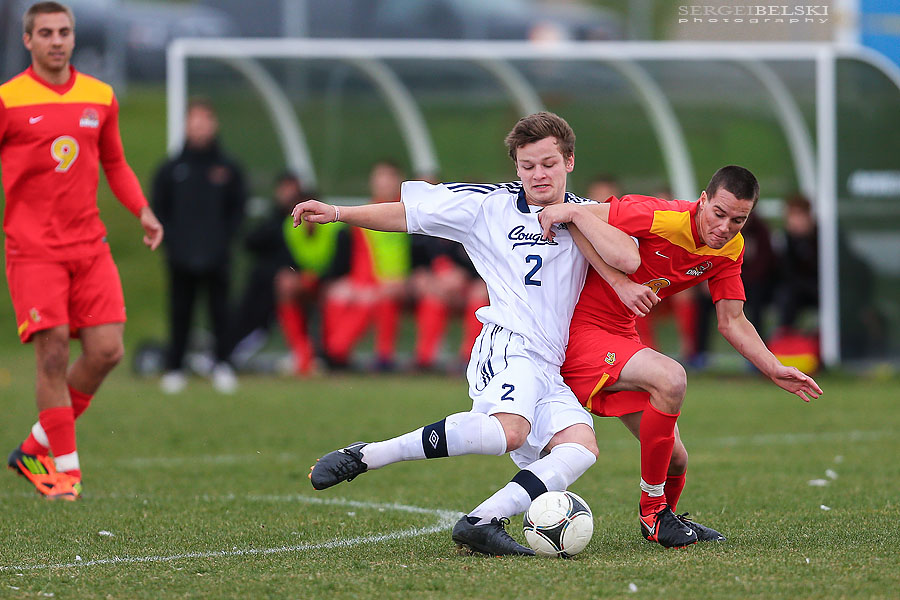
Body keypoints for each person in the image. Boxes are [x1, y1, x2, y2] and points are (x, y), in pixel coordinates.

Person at [294, 112, 640, 556]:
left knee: (581, 447)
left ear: (569, 161)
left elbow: (628, 256)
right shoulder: (487, 205)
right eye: (528, 165)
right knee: (509, 432)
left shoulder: (585, 216)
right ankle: (369, 455)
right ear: (516, 167)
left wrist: (580, 216)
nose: (538, 174)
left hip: (551, 361)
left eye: (549, 163)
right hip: (508, 342)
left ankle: (481, 521)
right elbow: (409, 213)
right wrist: (339, 212)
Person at [538, 165, 823, 548]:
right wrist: (618, 281)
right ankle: (653, 512)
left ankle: (662, 518)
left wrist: (773, 367)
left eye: (738, 220)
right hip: (579, 331)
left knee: (675, 460)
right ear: (703, 200)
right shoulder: (660, 215)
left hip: (623, 333)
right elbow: (581, 216)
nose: (724, 227)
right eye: (718, 213)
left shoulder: (729, 248)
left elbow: (732, 320)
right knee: (671, 377)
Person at [1, 1, 164, 500]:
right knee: (51, 353)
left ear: (74, 38)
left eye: (64, 31)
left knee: (108, 351)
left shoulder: (101, 96)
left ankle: (34, 447)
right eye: (45, 32)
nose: (56, 40)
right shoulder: (8, 100)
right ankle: (65, 473)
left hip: (89, 247)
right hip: (32, 251)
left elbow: (114, 163)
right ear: (28, 41)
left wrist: (142, 209)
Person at [152, 98, 246, 394]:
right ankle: (175, 367)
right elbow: (160, 209)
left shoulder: (228, 169)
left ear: (214, 125)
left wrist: (223, 240)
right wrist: (173, 243)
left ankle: (223, 364)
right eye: (194, 120)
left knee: (220, 311)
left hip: (217, 254)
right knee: (180, 311)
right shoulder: (171, 169)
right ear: (186, 125)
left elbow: (238, 210)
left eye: (205, 120)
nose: (200, 126)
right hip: (181, 255)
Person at [318, 160, 410, 371]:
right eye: (377, 177)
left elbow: (422, 252)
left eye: (387, 177)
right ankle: (334, 355)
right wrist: (359, 284)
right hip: (375, 282)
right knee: (338, 296)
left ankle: (344, 354)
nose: (381, 182)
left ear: (398, 180)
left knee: (377, 299)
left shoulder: (410, 211)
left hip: (405, 282)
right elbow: (362, 256)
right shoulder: (366, 213)